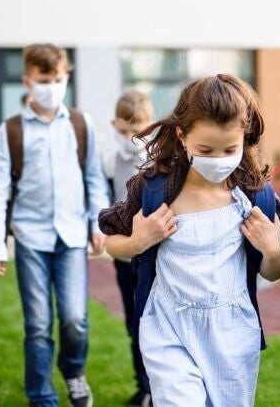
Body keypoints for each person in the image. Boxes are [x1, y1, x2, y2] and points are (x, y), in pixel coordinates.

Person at [98, 74, 280, 407]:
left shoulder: (255, 194)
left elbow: (274, 272)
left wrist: (272, 250)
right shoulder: (154, 188)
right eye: (205, 150)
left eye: (229, 149)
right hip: (168, 327)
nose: (217, 159)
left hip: (233, 332)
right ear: (182, 136)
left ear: (244, 139)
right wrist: (138, 241)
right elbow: (110, 241)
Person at [0, 43, 110, 407]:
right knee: (37, 325)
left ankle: (74, 371)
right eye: (44, 80)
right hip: (30, 238)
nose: (52, 86)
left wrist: (99, 223)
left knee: (74, 318)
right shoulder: (11, 131)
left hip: (72, 236)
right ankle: (42, 398)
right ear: (27, 81)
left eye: (57, 79)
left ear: (66, 77)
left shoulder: (81, 125)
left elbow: (95, 180)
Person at [110, 90, 155, 406]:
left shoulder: (158, 161)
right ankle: (144, 385)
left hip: (152, 255)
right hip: (125, 255)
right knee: (134, 322)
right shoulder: (112, 160)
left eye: (136, 131)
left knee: (153, 322)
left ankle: (159, 386)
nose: (130, 139)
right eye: (124, 131)